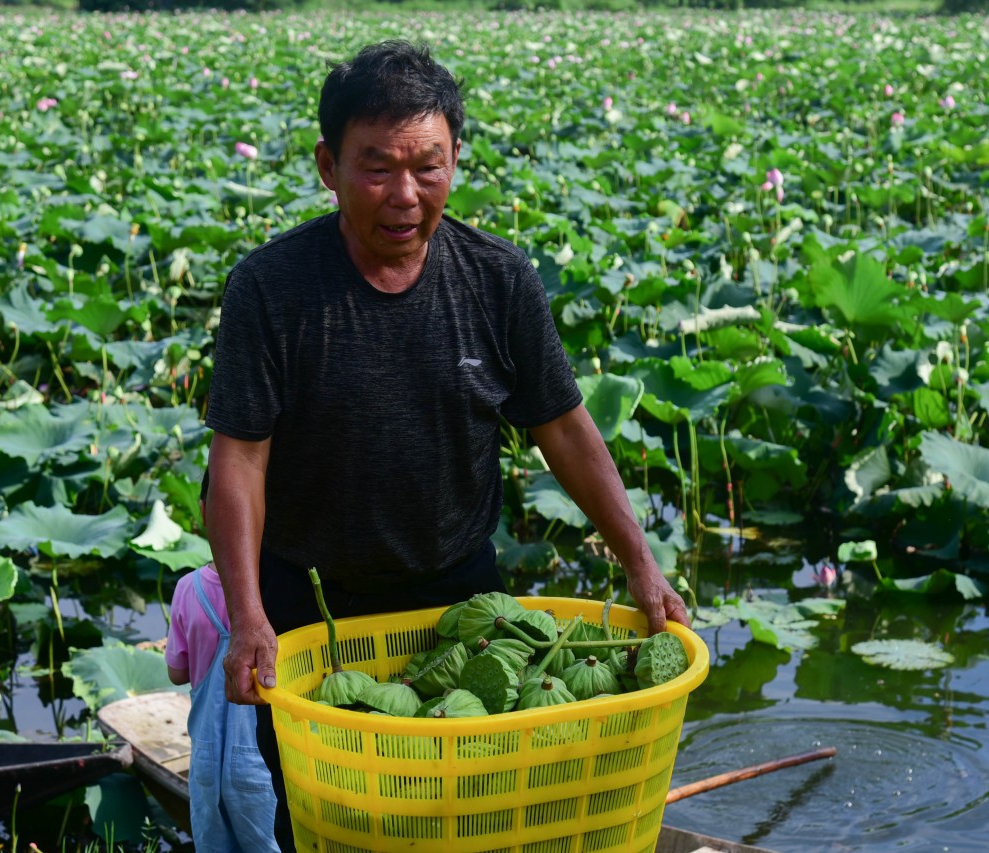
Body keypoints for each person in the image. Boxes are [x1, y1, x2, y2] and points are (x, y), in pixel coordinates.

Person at [203, 40, 690, 851]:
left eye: (429, 166)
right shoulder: (272, 288)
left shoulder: (497, 279)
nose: (405, 194)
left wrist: (640, 563)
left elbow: (565, 428)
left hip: (460, 604)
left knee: (475, 818)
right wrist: (247, 613)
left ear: (456, 157)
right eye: (377, 167)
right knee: (331, 820)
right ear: (327, 166)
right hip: (313, 605)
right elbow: (238, 462)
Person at [165, 474, 279, 853]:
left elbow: (177, 672)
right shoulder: (272, 593)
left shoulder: (187, 588)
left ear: (202, 513)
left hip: (205, 759)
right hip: (261, 759)